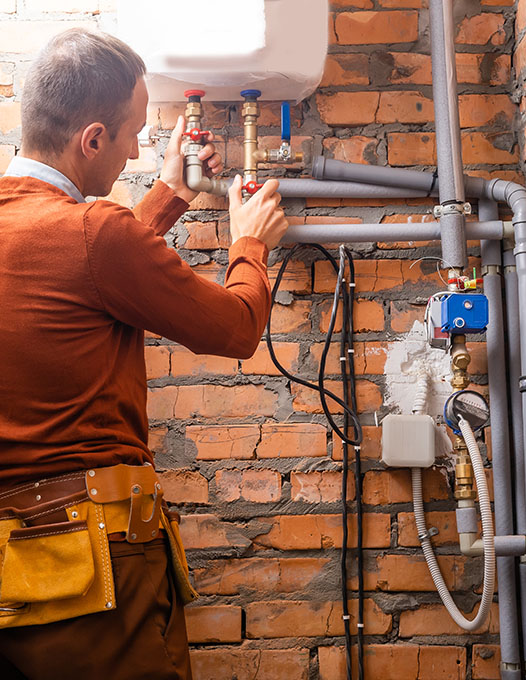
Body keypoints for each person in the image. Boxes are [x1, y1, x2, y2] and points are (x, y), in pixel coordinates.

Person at [0, 27, 288, 680]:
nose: (135, 149)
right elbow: (238, 327)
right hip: (94, 567)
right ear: (93, 139)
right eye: (131, 133)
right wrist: (250, 244)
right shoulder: (94, 235)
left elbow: (79, 276)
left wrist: (169, 195)